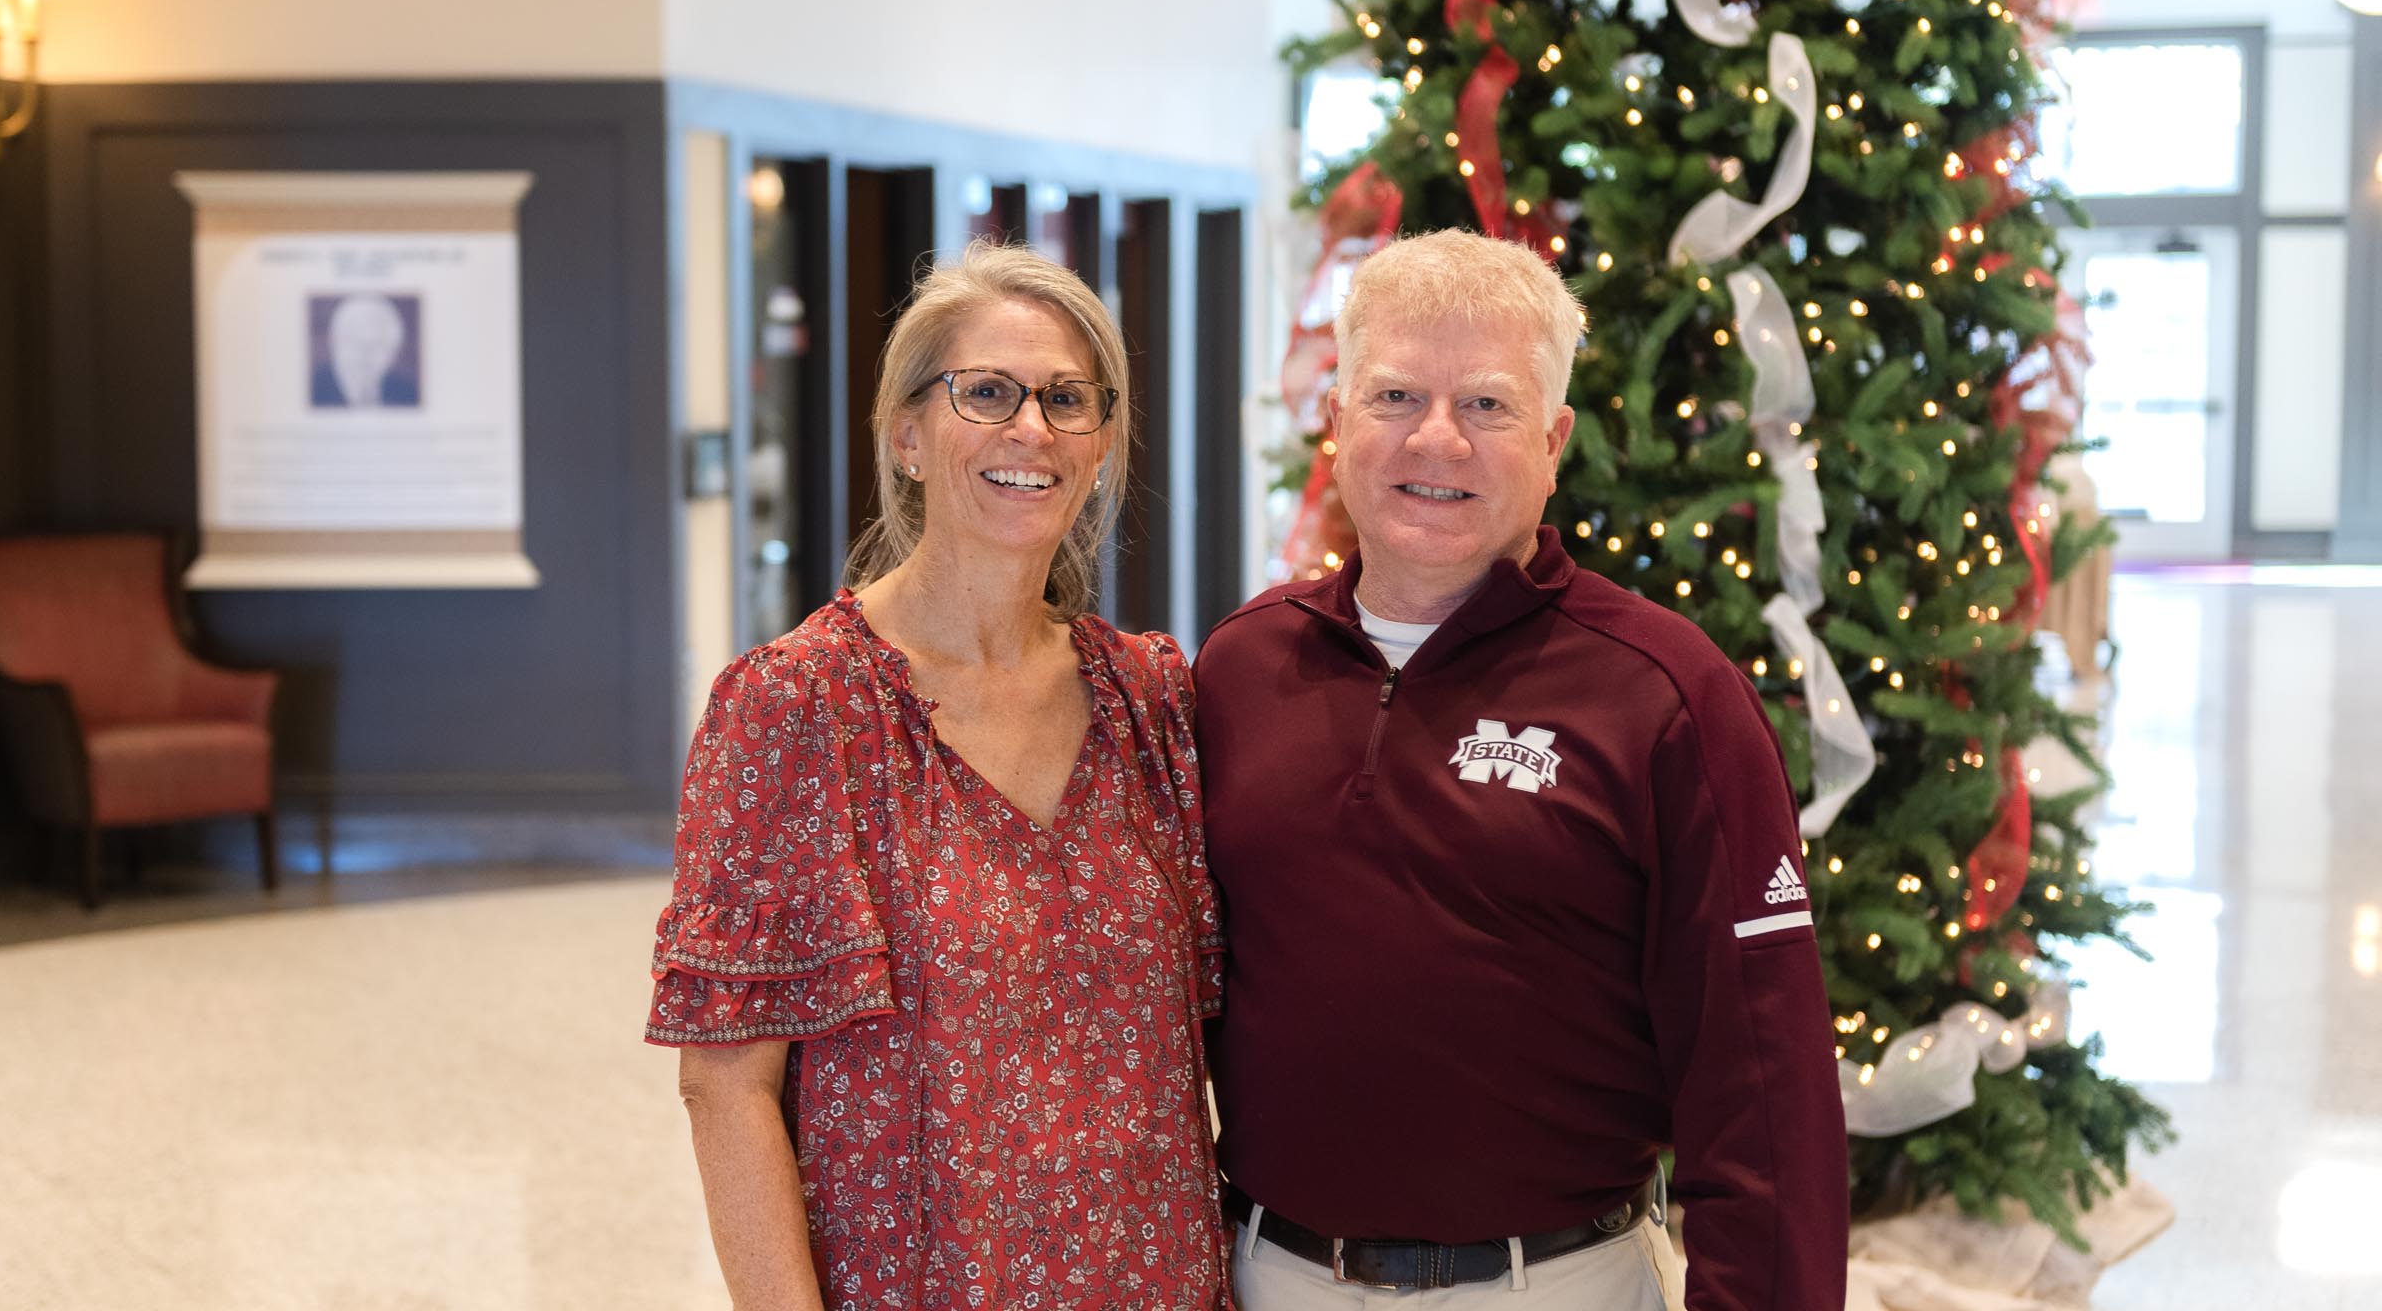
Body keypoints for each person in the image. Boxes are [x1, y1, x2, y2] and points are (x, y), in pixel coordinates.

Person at [1196, 229, 1848, 1309]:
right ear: (1338, 418)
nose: (1437, 439)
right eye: (1396, 394)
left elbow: (1764, 1094)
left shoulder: (1668, 694)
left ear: (1556, 441)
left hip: (1551, 1282)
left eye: (1488, 405)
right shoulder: (1239, 665)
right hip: (1267, 1275)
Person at [644, 241, 1227, 1311]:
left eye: (1067, 398)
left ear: (1101, 446)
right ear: (907, 434)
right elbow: (725, 1083)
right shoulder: (797, 708)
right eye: (989, 392)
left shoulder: (1151, 699)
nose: (1033, 429)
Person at [310, 293, 420, 408]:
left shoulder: (407, 393)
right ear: (335, 344)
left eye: (378, 346)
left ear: (393, 353)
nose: (365, 355)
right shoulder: (311, 388)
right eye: (355, 342)